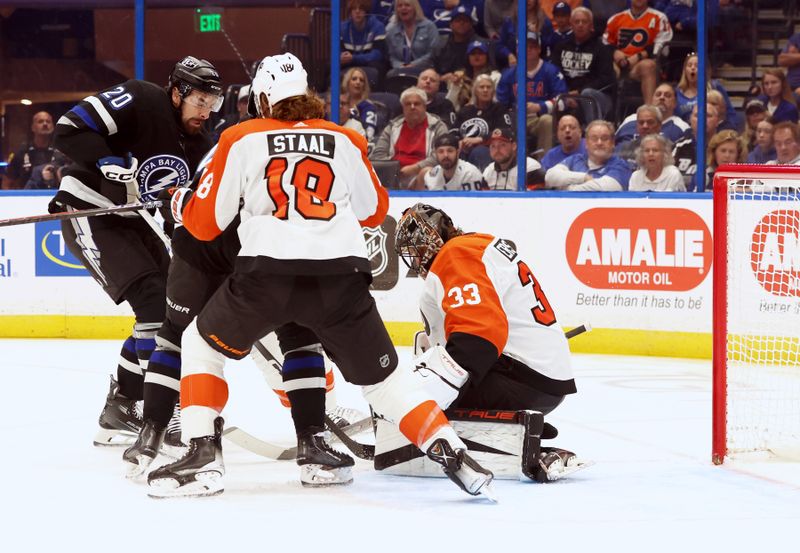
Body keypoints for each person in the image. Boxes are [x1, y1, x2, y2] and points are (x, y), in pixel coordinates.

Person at [147, 53, 495, 499]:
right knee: (386, 383)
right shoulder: (345, 138)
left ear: (264, 98)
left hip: (265, 275)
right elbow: (373, 213)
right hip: (342, 279)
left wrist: (179, 202)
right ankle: (450, 450)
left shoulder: (241, 137)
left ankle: (201, 456)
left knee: (197, 344)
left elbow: (205, 224)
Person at [51, 56, 223, 448]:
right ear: (177, 92)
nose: (205, 111)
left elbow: (180, 210)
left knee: (170, 307)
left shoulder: (200, 146)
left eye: (211, 103)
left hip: (138, 223)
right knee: (151, 303)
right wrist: (105, 157)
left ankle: (123, 404)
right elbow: (67, 129)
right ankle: (165, 410)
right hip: (91, 210)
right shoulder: (141, 98)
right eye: (199, 100)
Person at [387, 202, 579, 481]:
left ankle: (506, 442)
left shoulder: (455, 254)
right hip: (541, 377)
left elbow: (479, 337)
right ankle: (513, 435)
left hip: (521, 378)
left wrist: (422, 398)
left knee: (419, 390)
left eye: (417, 249)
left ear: (435, 236)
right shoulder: (480, 245)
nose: (417, 260)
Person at [497, 31, 566, 152]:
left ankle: (543, 165)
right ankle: (515, 165)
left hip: (539, 117)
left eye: (532, 47)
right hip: (515, 118)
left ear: (539, 49)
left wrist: (540, 107)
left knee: (547, 121)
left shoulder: (551, 70)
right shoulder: (508, 74)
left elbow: (563, 100)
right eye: (524, 46)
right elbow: (500, 104)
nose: (528, 50)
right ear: (517, 50)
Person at [371, 87, 449, 187]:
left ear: (425, 106)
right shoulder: (392, 126)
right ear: (403, 108)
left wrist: (416, 168)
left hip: (422, 174)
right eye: (408, 104)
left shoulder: (437, 126)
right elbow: (378, 155)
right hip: (394, 175)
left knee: (426, 172)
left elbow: (440, 155)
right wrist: (392, 171)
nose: (412, 107)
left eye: (417, 104)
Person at [551, 7, 615, 120]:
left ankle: (592, 131)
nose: (580, 25)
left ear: (591, 26)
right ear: (571, 24)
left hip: (596, 96)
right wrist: (566, 94)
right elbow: (555, 74)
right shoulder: (561, 47)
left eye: (584, 22)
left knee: (587, 95)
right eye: (577, 22)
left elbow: (606, 79)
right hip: (567, 94)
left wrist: (579, 93)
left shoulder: (601, 49)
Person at [603, 0, 672, 105]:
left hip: (641, 66)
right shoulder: (615, 19)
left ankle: (650, 110)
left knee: (648, 65)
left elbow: (661, 46)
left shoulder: (659, 18)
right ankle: (607, 114)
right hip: (619, 64)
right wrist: (615, 52)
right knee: (606, 66)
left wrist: (638, 56)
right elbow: (605, 44)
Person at [545, 119, 632, 191]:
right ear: (586, 143)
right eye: (594, 138)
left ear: (613, 143)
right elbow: (549, 177)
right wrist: (583, 177)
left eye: (604, 138)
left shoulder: (620, 165)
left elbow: (606, 187)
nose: (599, 143)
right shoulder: (575, 159)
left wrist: (567, 188)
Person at [455, 74, 512, 170]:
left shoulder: (499, 109)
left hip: (488, 149)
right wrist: (458, 142)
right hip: (464, 149)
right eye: (481, 87)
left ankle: (484, 183)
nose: (485, 90)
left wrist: (480, 139)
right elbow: (454, 130)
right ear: (475, 91)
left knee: (479, 152)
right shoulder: (465, 110)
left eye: (488, 87)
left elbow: (504, 131)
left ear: (493, 91)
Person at [675, 54, 738, 131]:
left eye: (697, 65)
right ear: (685, 70)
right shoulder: (677, 92)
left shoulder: (715, 86)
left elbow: (729, 112)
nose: (693, 68)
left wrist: (729, 130)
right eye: (689, 65)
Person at [2, 111, 60, 190]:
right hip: (28, 198)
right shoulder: (23, 151)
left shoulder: (60, 151)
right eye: (40, 121)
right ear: (33, 127)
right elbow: (7, 181)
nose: (45, 124)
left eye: (48, 121)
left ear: (53, 127)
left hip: (55, 197)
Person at [385, 0, 439, 78]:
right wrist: (400, 66)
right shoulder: (391, 30)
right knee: (390, 75)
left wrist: (413, 65)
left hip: (425, 69)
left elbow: (432, 53)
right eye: (400, 6)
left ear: (415, 8)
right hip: (400, 69)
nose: (403, 8)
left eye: (407, 5)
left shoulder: (429, 26)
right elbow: (391, 56)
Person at [673, 102, 720, 191]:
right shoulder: (678, 147)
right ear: (690, 120)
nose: (702, 119)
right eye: (697, 115)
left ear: (717, 121)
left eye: (708, 116)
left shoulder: (724, 148)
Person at [340, 0, 388, 87]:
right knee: (330, 66)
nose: (357, 12)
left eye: (361, 9)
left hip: (368, 62)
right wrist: (341, 56)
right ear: (350, 12)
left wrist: (354, 58)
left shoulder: (377, 26)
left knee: (378, 66)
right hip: (350, 61)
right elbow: (338, 51)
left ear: (366, 11)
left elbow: (377, 54)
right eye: (354, 9)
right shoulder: (343, 28)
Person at [481, 127, 546, 190]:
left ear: (514, 146)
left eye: (502, 145)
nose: (497, 150)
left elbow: (535, 199)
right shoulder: (488, 171)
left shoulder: (530, 167)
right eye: (493, 146)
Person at [341, 67, 378, 143]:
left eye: (361, 80)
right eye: (354, 79)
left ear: (364, 85)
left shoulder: (368, 107)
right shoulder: (337, 103)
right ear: (347, 82)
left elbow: (369, 135)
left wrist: (356, 117)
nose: (358, 82)